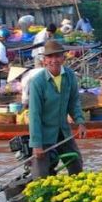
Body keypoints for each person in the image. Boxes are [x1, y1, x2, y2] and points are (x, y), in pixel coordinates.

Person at [27, 40, 85, 179]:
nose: (54, 60)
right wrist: (36, 144)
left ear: (63, 58)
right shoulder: (37, 82)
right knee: (40, 175)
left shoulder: (69, 76)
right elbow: (34, 115)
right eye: (50, 57)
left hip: (63, 131)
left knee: (76, 165)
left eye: (57, 56)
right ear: (44, 60)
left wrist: (80, 122)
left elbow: (74, 102)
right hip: (44, 134)